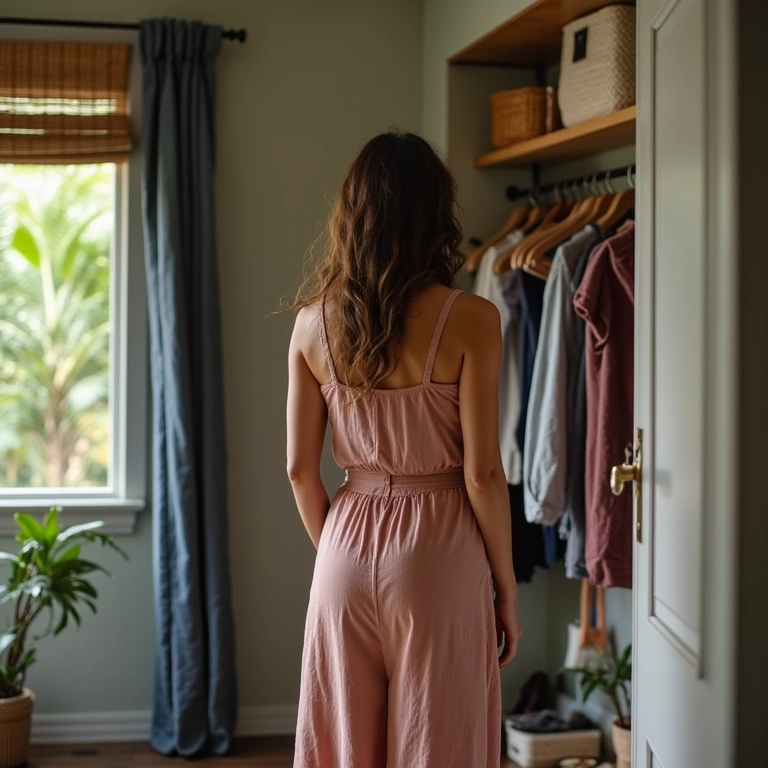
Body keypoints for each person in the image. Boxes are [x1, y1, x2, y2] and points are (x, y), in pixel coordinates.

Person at [285, 130, 522, 767]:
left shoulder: (312, 325)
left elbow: (301, 471)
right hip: (439, 549)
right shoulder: (471, 317)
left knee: (343, 745)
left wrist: (344, 552)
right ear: (435, 215)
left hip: (344, 542)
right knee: (438, 744)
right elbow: (483, 474)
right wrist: (505, 590)